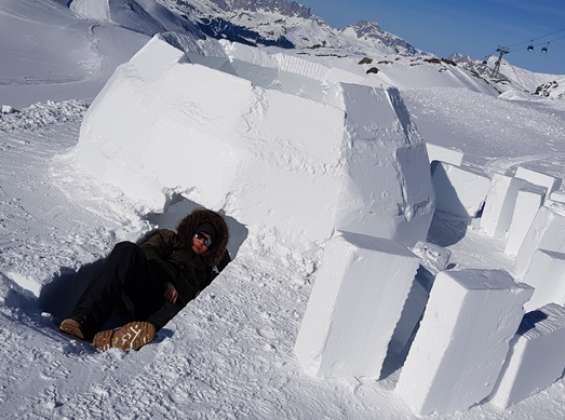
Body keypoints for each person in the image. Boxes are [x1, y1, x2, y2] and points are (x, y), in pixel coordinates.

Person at [59, 208, 230, 351]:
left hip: (163, 309)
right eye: (200, 236)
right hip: (145, 287)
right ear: (192, 232)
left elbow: (222, 284)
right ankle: (82, 320)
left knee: (175, 308)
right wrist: (165, 281)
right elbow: (147, 251)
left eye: (207, 242)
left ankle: (119, 336)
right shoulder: (170, 239)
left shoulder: (204, 271)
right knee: (126, 249)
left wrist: (222, 257)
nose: (201, 242)